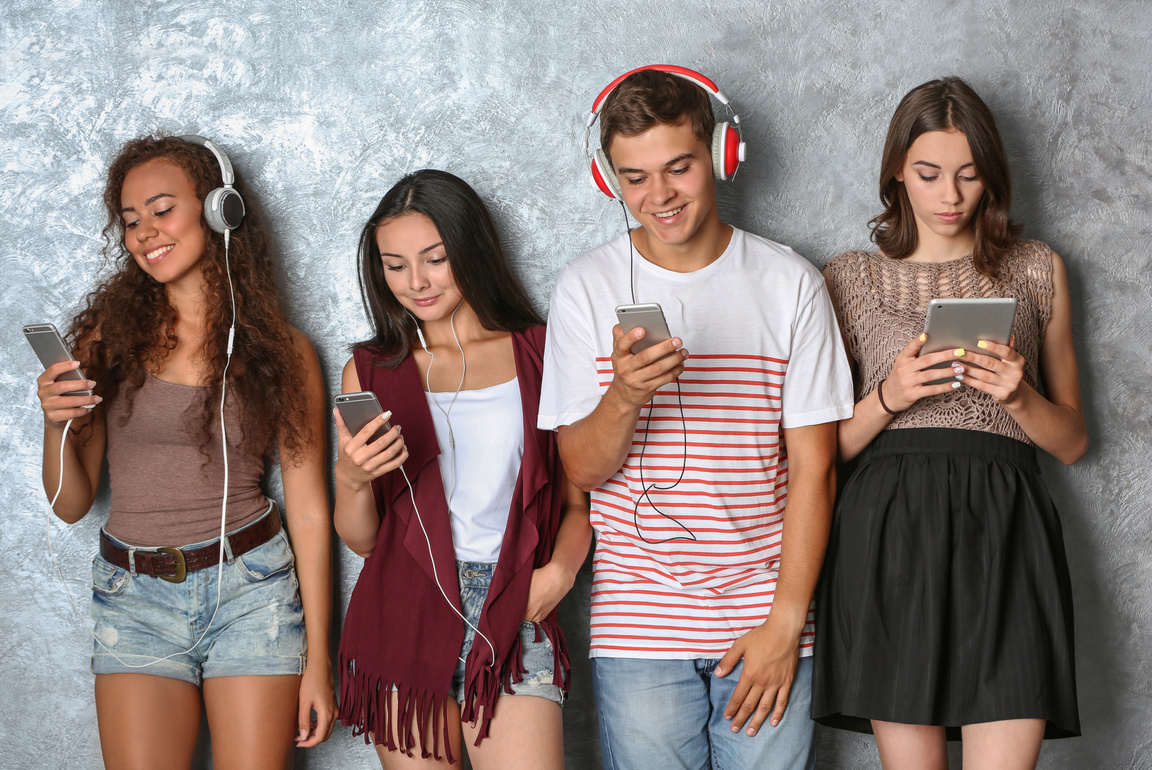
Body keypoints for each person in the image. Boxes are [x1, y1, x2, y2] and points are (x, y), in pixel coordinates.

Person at [538, 66, 854, 770]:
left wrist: (786, 621)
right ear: (609, 179)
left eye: (678, 168)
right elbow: (581, 472)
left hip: (768, 620)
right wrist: (622, 396)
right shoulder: (585, 288)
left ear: (719, 155)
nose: (659, 197)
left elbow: (814, 469)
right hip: (638, 623)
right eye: (635, 177)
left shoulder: (790, 284)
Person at [35, 135, 336, 768]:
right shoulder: (104, 339)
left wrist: (319, 663)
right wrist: (54, 423)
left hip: (251, 592)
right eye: (131, 220)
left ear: (219, 210)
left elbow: (309, 513)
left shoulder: (283, 350)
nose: (145, 232)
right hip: (135, 597)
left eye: (162, 209)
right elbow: (70, 504)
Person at [812, 77, 1086, 770]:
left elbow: (1076, 443)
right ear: (897, 171)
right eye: (929, 174)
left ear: (991, 177)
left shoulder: (1036, 269)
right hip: (888, 537)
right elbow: (819, 453)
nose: (950, 196)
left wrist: (1020, 398)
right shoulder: (849, 279)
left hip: (1008, 530)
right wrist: (889, 397)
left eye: (969, 175)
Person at [333, 169, 592, 770]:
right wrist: (350, 478)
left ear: (470, 248)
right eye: (394, 265)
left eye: (435, 258)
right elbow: (365, 539)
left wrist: (559, 574)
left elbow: (579, 501)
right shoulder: (368, 372)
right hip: (403, 612)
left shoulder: (540, 351)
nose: (415, 282)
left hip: (515, 601)